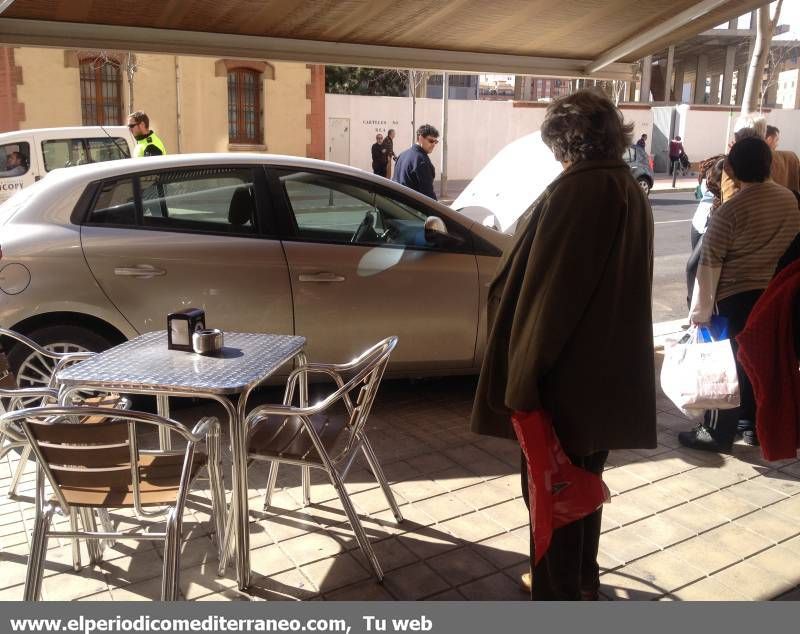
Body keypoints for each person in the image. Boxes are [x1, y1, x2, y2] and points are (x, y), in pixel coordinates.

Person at [470, 89, 656, 601]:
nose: (556, 156)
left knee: (552, 499)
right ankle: (579, 584)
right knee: (579, 493)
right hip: (599, 381)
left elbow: (552, 298)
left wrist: (522, 385)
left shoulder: (581, 191)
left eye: (557, 147)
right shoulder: (624, 186)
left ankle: (559, 594)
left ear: (569, 142)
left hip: (567, 387)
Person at [679, 137, 800, 452]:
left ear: (730, 170)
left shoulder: (730, 212)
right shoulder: (790, 200)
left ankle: (717, 433)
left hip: (734, 298)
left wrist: (699, 316)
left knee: (726, 365)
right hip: (774, 294)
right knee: (758, 361)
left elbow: (707, 268)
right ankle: (752, 425)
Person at [686, 155, 725, 307]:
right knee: (697, 269)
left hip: (705, 224)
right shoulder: (720, 167)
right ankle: (693, 308)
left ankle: (695, 307)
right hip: (700, 223)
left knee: (697, 268)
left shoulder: (724, 171)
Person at [393, 124, 439, 200]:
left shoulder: (402, 155)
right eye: (431, 141)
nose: (433, 144)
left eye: (436, 142)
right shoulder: (421, 160)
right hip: (411, 209)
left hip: (396, 206)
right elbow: (428, 196)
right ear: (420, 138)